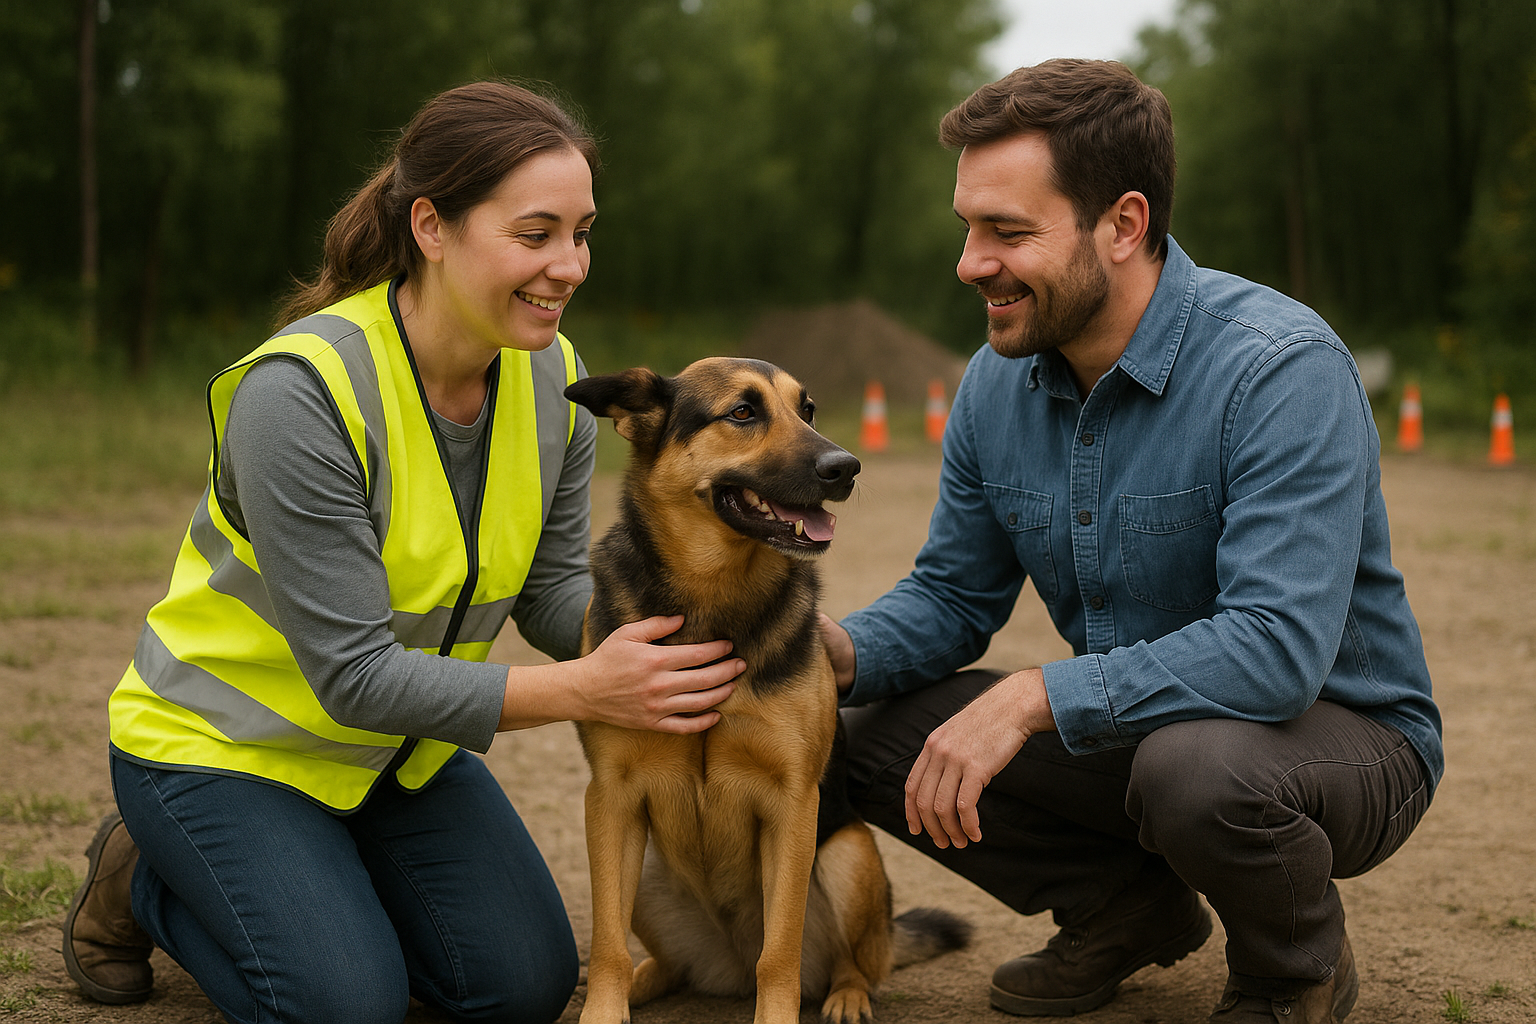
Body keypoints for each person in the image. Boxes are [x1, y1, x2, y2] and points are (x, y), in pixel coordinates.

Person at [61, 81, 745, 1024]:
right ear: (431, 225)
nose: (571, 265)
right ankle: (146, 877)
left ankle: (318, 886)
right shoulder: (301, 393)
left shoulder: (555, 381)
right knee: (346, 1008)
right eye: (536, 233)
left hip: (395, 756)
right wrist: (589, 690)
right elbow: (352, 674)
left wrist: (690, 627)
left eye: (583, 232)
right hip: (226, 751)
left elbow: (552, 596)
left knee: (521, 988)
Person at [819, 59, 1442, 1024]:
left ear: (1124, 224)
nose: (970, 262)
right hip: (1145, 729)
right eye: (969, 227)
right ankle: (1126, 910)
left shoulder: (1279, 369)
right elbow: (953, 596)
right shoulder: (994, 383)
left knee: (1193, 770)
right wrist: (832, 654)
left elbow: (1276, 652)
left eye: (1009, 232)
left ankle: (1293, 970)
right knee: (854, 730)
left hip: (1345, 743)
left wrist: (1034, 696)